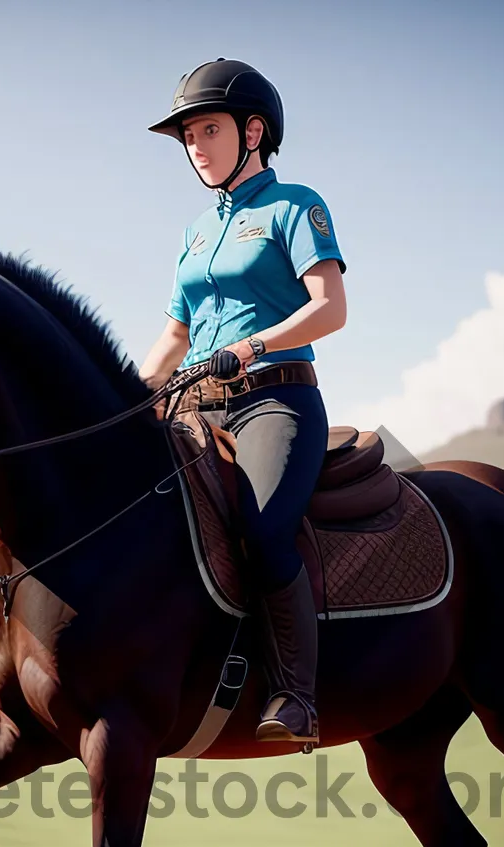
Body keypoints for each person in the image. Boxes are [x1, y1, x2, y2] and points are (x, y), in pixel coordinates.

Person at [141, 58, 348, 749]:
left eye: (208, 129)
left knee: (262, 533)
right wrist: (133, 393)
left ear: (253, 130)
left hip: (275, 402)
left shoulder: (296, 206)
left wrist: (253, 347)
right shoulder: (195, 233)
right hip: (193, 406)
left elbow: (330, 308)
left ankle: (296, 697)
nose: (195, 146)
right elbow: (175, 334)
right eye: (187, 137)